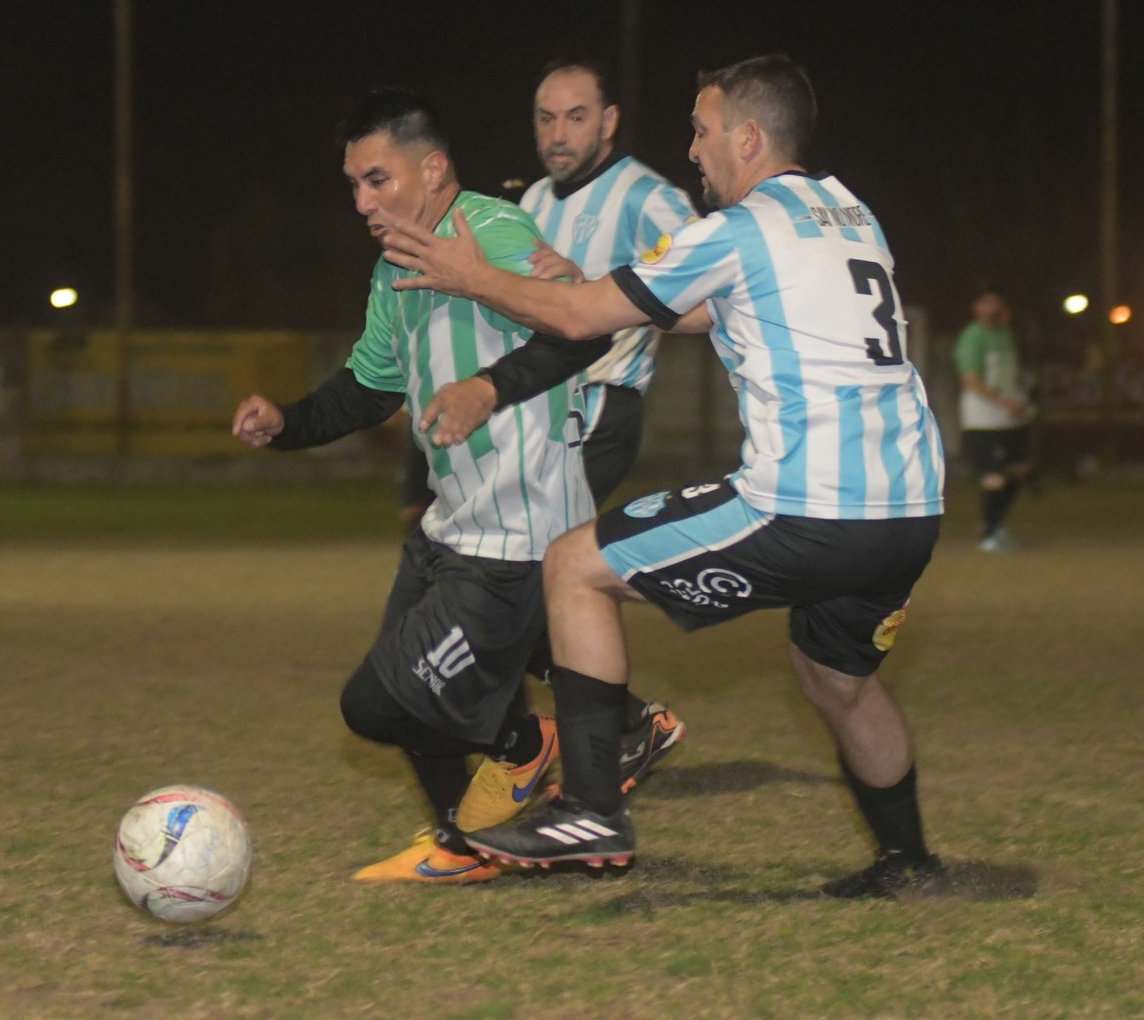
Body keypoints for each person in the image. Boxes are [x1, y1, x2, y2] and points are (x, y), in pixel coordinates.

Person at [379, 55, 949, 898]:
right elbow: (694, 306)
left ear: (748, 138)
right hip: (909, 508)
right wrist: (584, 284)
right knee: (836, 679)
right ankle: (909, 861)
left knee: (574, 562)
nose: (692, 149)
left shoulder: (741, 228)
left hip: (808, 504)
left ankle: (592, 808)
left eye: (703, 129)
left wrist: (474, 277)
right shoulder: (847, 213)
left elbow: (581, 320)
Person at [232, 87, 609, 884]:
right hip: (452, 526)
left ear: (432, 170)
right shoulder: (393, 266)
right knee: (406, 691)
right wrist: (287, 422)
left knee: (378, 702)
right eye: (354, 185)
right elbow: (371, 389)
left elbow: (580, 330)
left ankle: (522, 745)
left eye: (378, 180)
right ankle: (462, 843)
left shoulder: (493, 231)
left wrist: (487, 388)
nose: (363, 202)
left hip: (519, 533)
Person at [954, 287, 1032, 551]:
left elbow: (1011, 372)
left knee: (1018, 470)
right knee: (994, 475)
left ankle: (995, 523)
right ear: (976, 309)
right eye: (986, 304)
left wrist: (1019, 399)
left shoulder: (1006, 334)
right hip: (982, 418)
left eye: (995, 303)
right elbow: (971, 380)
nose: (992, 309)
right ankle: (990, 533)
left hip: (1010, 416)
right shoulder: (972, 337)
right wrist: (1003, 402)